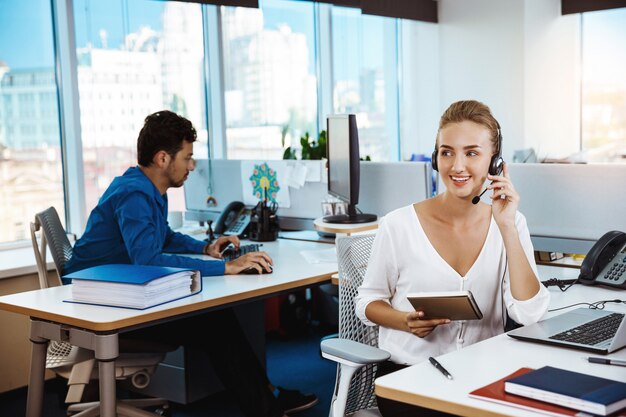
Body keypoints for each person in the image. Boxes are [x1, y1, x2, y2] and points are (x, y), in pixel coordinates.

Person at [64, 110, 318, 417]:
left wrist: (206, 247)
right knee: (215, 323)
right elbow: (148, 260)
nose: (192, 165)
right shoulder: (134, 193)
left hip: (121, 295)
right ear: (162, 159)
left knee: (217, 318)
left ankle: (266, 398)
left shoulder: (147, 188)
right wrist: (226, 267)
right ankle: (266, 405)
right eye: (187, 157)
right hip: (101, 309)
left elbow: (164, 237)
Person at [355, 100, 550, 417]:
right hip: (410, 379)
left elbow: (529, 313)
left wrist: (507, 227)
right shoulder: (398, 224)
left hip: (484, 376)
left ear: (494, 163)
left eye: (472, 153)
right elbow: (366, 301)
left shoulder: (511, 223)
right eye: (447, 152)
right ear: (436, 158)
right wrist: (404, 322)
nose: (457, 166)